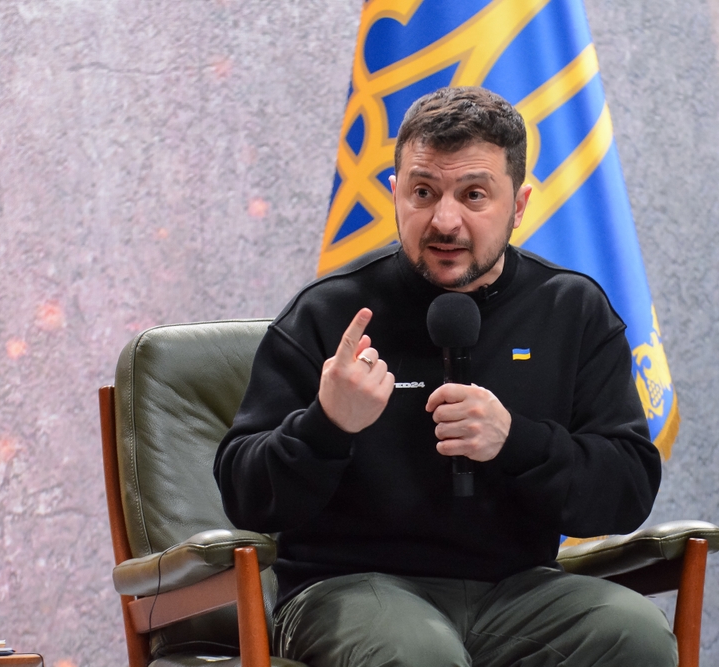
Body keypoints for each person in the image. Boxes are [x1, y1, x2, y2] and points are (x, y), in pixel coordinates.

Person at [213, 86, 676, 666]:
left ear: (519, 205)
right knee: (419, 653)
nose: (445, 220)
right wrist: (326, 425)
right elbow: (243, 495)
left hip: (517, 592)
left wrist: (517, 442)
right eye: (423, 192)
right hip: (352, 589)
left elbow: (627, 490)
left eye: (474, 195)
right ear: (395, 195)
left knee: (636, 634)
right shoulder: (330, 313)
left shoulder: (571, 311)